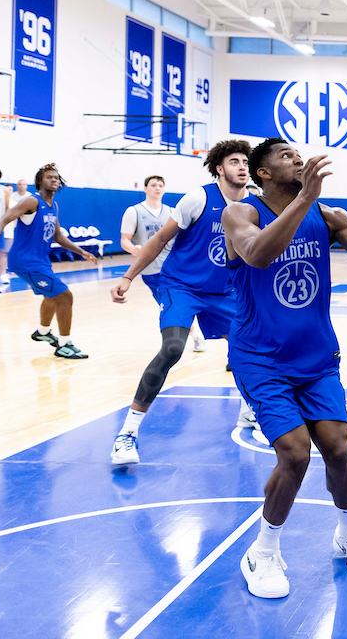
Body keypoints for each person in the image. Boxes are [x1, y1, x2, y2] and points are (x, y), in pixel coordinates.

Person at [226, 138, 347, 599]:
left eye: (298, 154)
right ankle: (262, 552)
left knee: (337, 449)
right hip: (261, 358)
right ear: (263, 173)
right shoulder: (241, 214)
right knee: (295, 454)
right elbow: (258, 255)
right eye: (285, 156)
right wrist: (306, 198)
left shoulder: (329, 216)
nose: (297, 158)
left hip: (316, 359)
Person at [109, 140, 254, 465]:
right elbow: (159, 239)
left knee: (248, 350)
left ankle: (249, 411)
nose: (242, 167)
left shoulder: (253, 203)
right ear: (219, 168)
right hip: (182, 286)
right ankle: (127, 433)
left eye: (245, 162)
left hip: (225, 292)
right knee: (173, 347)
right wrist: (128, 277)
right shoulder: (198, 198)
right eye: (234, 161)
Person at [0, 164, 97, 358]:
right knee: (64, 296)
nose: (54, 180)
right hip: (25, 261)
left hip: (41, 260)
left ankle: (43, 332)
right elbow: (2, 220)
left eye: (56, 177)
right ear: (40, 182)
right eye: (49, 177)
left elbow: (58, 236)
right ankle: (64, 345)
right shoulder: (31, 202)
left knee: (51, 296)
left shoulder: (54, 206)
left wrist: (81, 251)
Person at [119, 175, 205, 351]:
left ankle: (190, 337)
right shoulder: (134, 211)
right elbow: (124, 240)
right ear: (145, 189)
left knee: (178, 305)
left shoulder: (172, 211)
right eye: (153, 185)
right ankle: (188, 338)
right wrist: (132, 248)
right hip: (151, 270)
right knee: (172, 307)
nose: (157, 188)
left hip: (175, 267)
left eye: (160, 185)